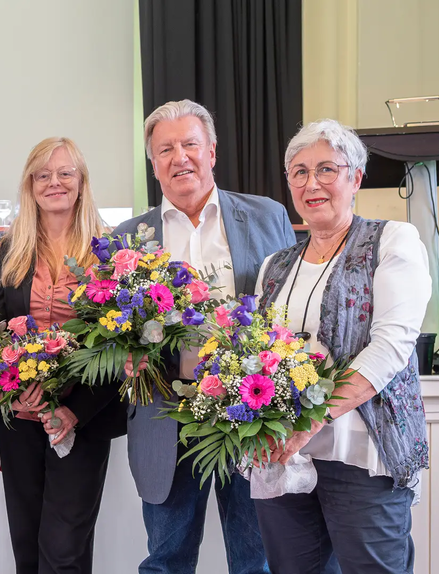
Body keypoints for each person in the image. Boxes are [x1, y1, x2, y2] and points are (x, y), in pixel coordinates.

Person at [113, 99, 296, 574]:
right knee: (166, 560)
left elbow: (288, 310)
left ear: (212, 151)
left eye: (190, 144)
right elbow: (112, 332)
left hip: (250, 411)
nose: (180, 157)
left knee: (256, 559)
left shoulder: (267, 216)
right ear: (153, 165)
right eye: (166, 149)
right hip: (164, 415)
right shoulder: (128, 237)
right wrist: (127, 356)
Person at [251, 119, 431, 574]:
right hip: (284, 459)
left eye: (327, 169)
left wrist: (309, 420)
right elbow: (254, 353)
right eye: (299, 172)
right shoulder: (275, 264)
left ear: (355, 178)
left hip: (363, 454)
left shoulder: (392, 241)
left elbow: (390, 347)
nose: (312, 184)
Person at [0, 137, 126, 574]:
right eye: (42, 175)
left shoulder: (109, 251)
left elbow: (120, 343)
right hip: (21, 417)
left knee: (64, 548)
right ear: (30, 186)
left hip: (82, 417)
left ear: (81, 183)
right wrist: (14, 392)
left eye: (65, 173)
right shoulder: (11, 249)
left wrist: (72, 411)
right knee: (26, 544)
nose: (54, 183)